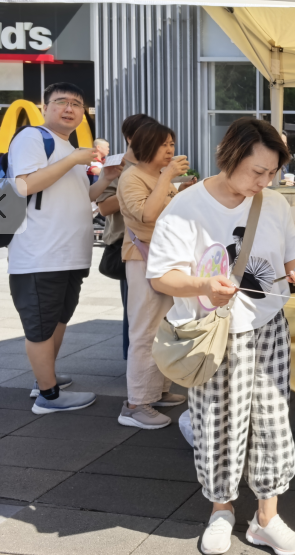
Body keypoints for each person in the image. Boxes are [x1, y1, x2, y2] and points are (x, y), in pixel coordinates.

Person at [147, 117, 295, 555]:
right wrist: (203, 285)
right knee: (218, 425)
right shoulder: (186, 206)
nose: (265, 181)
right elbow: (161, 275)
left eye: (272, 172)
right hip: (214, 335)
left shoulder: (274, 204)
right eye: (257, 171)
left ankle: (267, 518)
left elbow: (290, 257)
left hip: (268, 327)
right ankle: (220, 511)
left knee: (273, 423)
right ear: (230, 156)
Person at [8, 83, 121, 412]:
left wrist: (105, 179)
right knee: (41, 326)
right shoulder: (33, 138)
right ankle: (48, 396)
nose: (70, 108)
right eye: (61, 102)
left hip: (69, 254)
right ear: (45, 108)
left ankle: (45, 380)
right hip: (41, 254)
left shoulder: (69, 148)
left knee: (58, 320)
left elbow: (83, 197)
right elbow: (24, 185)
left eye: (77, 103)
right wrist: (73, 158)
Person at [116, 122, 190, 429]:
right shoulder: (132, 176)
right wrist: (169, 177)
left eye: (171, 143)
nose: (170, 150)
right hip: (143, 259)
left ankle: (156, 391)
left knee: (163, 328)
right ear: (146, 146)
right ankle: (135, 404)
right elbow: (147, 214)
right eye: (164, 144)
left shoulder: (157, 175)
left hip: (163, 259)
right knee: (146, 331)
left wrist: (180, 188)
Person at [96, 114, 155, 360]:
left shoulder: (157, 164)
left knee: (154, 307)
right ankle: (133, 363)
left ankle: (152, 362)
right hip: (128, 244)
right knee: (135, 308)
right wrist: (137, 193)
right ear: (129, 137)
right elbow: (103, 207)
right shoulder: (117, 164)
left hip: (156, 244)